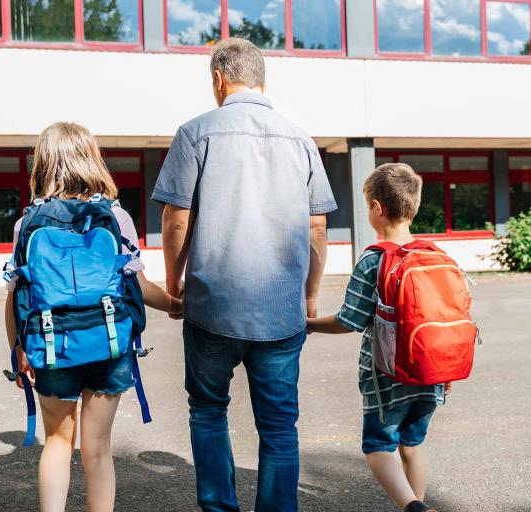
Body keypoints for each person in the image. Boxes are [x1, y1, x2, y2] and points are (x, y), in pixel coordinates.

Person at [151, 38, 336, 512]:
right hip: (280, 310)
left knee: (209, 411)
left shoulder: (195, 133)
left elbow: (176, 219)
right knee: (278, 426)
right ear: (262, 80)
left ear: (218, 79)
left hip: (212, 306)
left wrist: (174, 285)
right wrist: (309, 294)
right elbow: (317, 226)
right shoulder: (301, 139)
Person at [4, 122, 183, 512]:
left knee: (57, 442)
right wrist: (174, 304)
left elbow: (17, 295)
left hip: (51, 346)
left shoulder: (27, 224)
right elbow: (138, 285)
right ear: (92, 160)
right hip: (109, 344)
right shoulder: (115, 218)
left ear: (44, 165)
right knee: (98, 449)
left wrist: (18, 351)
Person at [307, 163, 451, 512]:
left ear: (376, 208)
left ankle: (414, 508)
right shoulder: (437, 256)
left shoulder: (373, 260)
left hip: (387, 380)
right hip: (432, 374)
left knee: (378, 447)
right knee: (412, 445)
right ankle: (417, 505)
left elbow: (349, 320)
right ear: (413, 206)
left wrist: (307, 324)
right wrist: (445, 373)